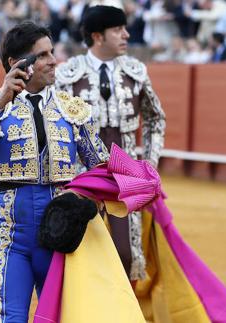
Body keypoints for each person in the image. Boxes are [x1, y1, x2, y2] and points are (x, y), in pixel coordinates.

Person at [0, 21, 109, 323]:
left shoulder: (72, 110)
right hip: (9, 239)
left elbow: (101, 169)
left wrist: (89, 200)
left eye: (52, 52)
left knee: (63, 318)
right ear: (17, 63)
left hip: (62, 239)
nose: (53, 60)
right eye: (43, 55)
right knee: (7, 318)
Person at [34, 144, 226, 323]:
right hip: (85, 186)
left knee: (127, 256)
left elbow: (155, 120)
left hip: (121, 183)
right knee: (78, 260)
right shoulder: (69, 101)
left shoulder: (136, 91)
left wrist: (148, 165)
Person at [55, 5, 166, 282]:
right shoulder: (67, 74)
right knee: (77, 247)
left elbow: (155, 119)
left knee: (125, 252)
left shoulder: (136, 71)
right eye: (118, 30)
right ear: (98, 36)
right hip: (81, 176)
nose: (126, 35)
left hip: (126, 176)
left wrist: (149, 165)